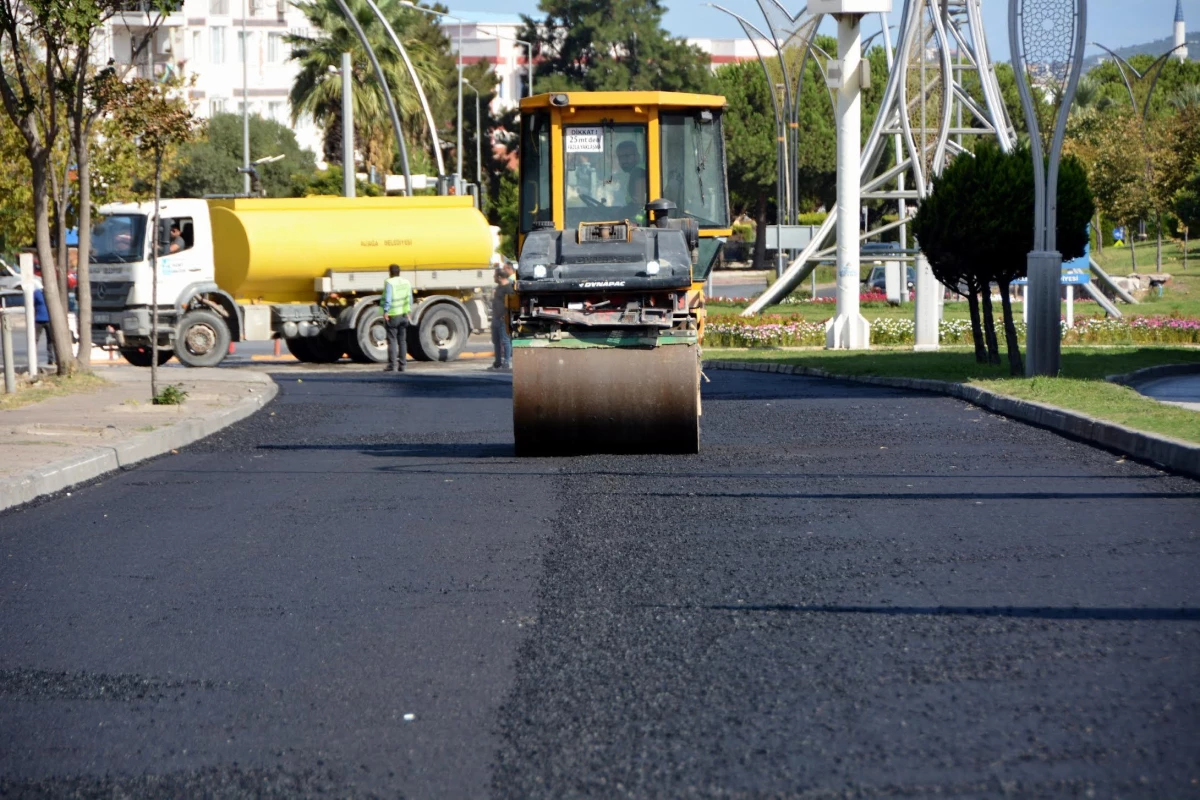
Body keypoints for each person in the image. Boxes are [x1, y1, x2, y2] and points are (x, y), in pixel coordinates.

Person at [382, 264, 412, 373]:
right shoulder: (406, 282)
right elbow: (410, 298)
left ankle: (392, 365)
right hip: (404, 315)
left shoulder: (389, 282)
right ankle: (403, 366)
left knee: (392, 340)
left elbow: (388, 298)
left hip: (393, 314)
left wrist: (386, 311)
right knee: (402, 341)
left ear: (390, 272)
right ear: (399, 272)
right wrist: (408, 311)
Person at [490, 266, 513, 371]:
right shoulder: (498, 288)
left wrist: (506, 315)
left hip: (504, 319)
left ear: (499, 277)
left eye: (495, 275)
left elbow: (511, 304)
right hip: (496, 318)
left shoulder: (508, 289)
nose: (493, 277)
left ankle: (506, 362)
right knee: (496, 341)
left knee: (505, 340)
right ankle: (497, 362)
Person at [33, 286, 55, 367]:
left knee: (51, 340)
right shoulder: (37, 293)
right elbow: (32, 304)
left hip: (50, 320)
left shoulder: (52, 294)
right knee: (34, 340)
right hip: (38, 320)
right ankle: (34, 360)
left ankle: (51, 359)